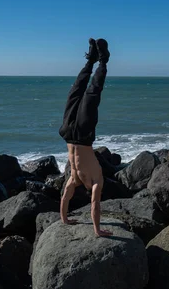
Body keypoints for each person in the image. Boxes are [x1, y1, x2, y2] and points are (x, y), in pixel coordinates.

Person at [58, 38, 112, 237]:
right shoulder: (97, 178)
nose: (91, 191)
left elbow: (65, 197)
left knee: (75, 90)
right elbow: (95, 205)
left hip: (68, 133)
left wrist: (64, 219)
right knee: (91, 94)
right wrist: (98, 230)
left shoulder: (74, 178)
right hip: (82, 133)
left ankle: (91, 60)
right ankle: (102, 61)